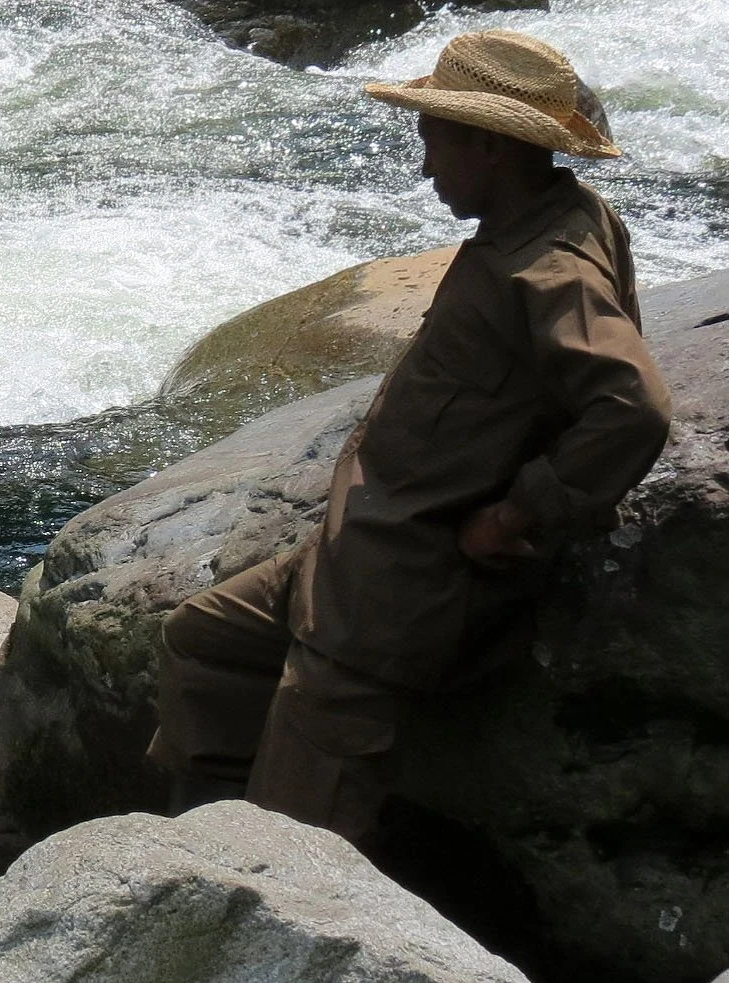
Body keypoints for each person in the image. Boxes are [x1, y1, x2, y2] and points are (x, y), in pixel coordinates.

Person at [146, 29, 671, 848]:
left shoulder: (549, 271)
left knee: (297, 823)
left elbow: (631, 406)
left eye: (435, 142)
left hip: (403, 583)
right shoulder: (546, 213)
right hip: (355, 546)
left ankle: (256, 907)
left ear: (491, 145)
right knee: (204, 642)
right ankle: (195, 850)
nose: (425, 167)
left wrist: (516, 514)